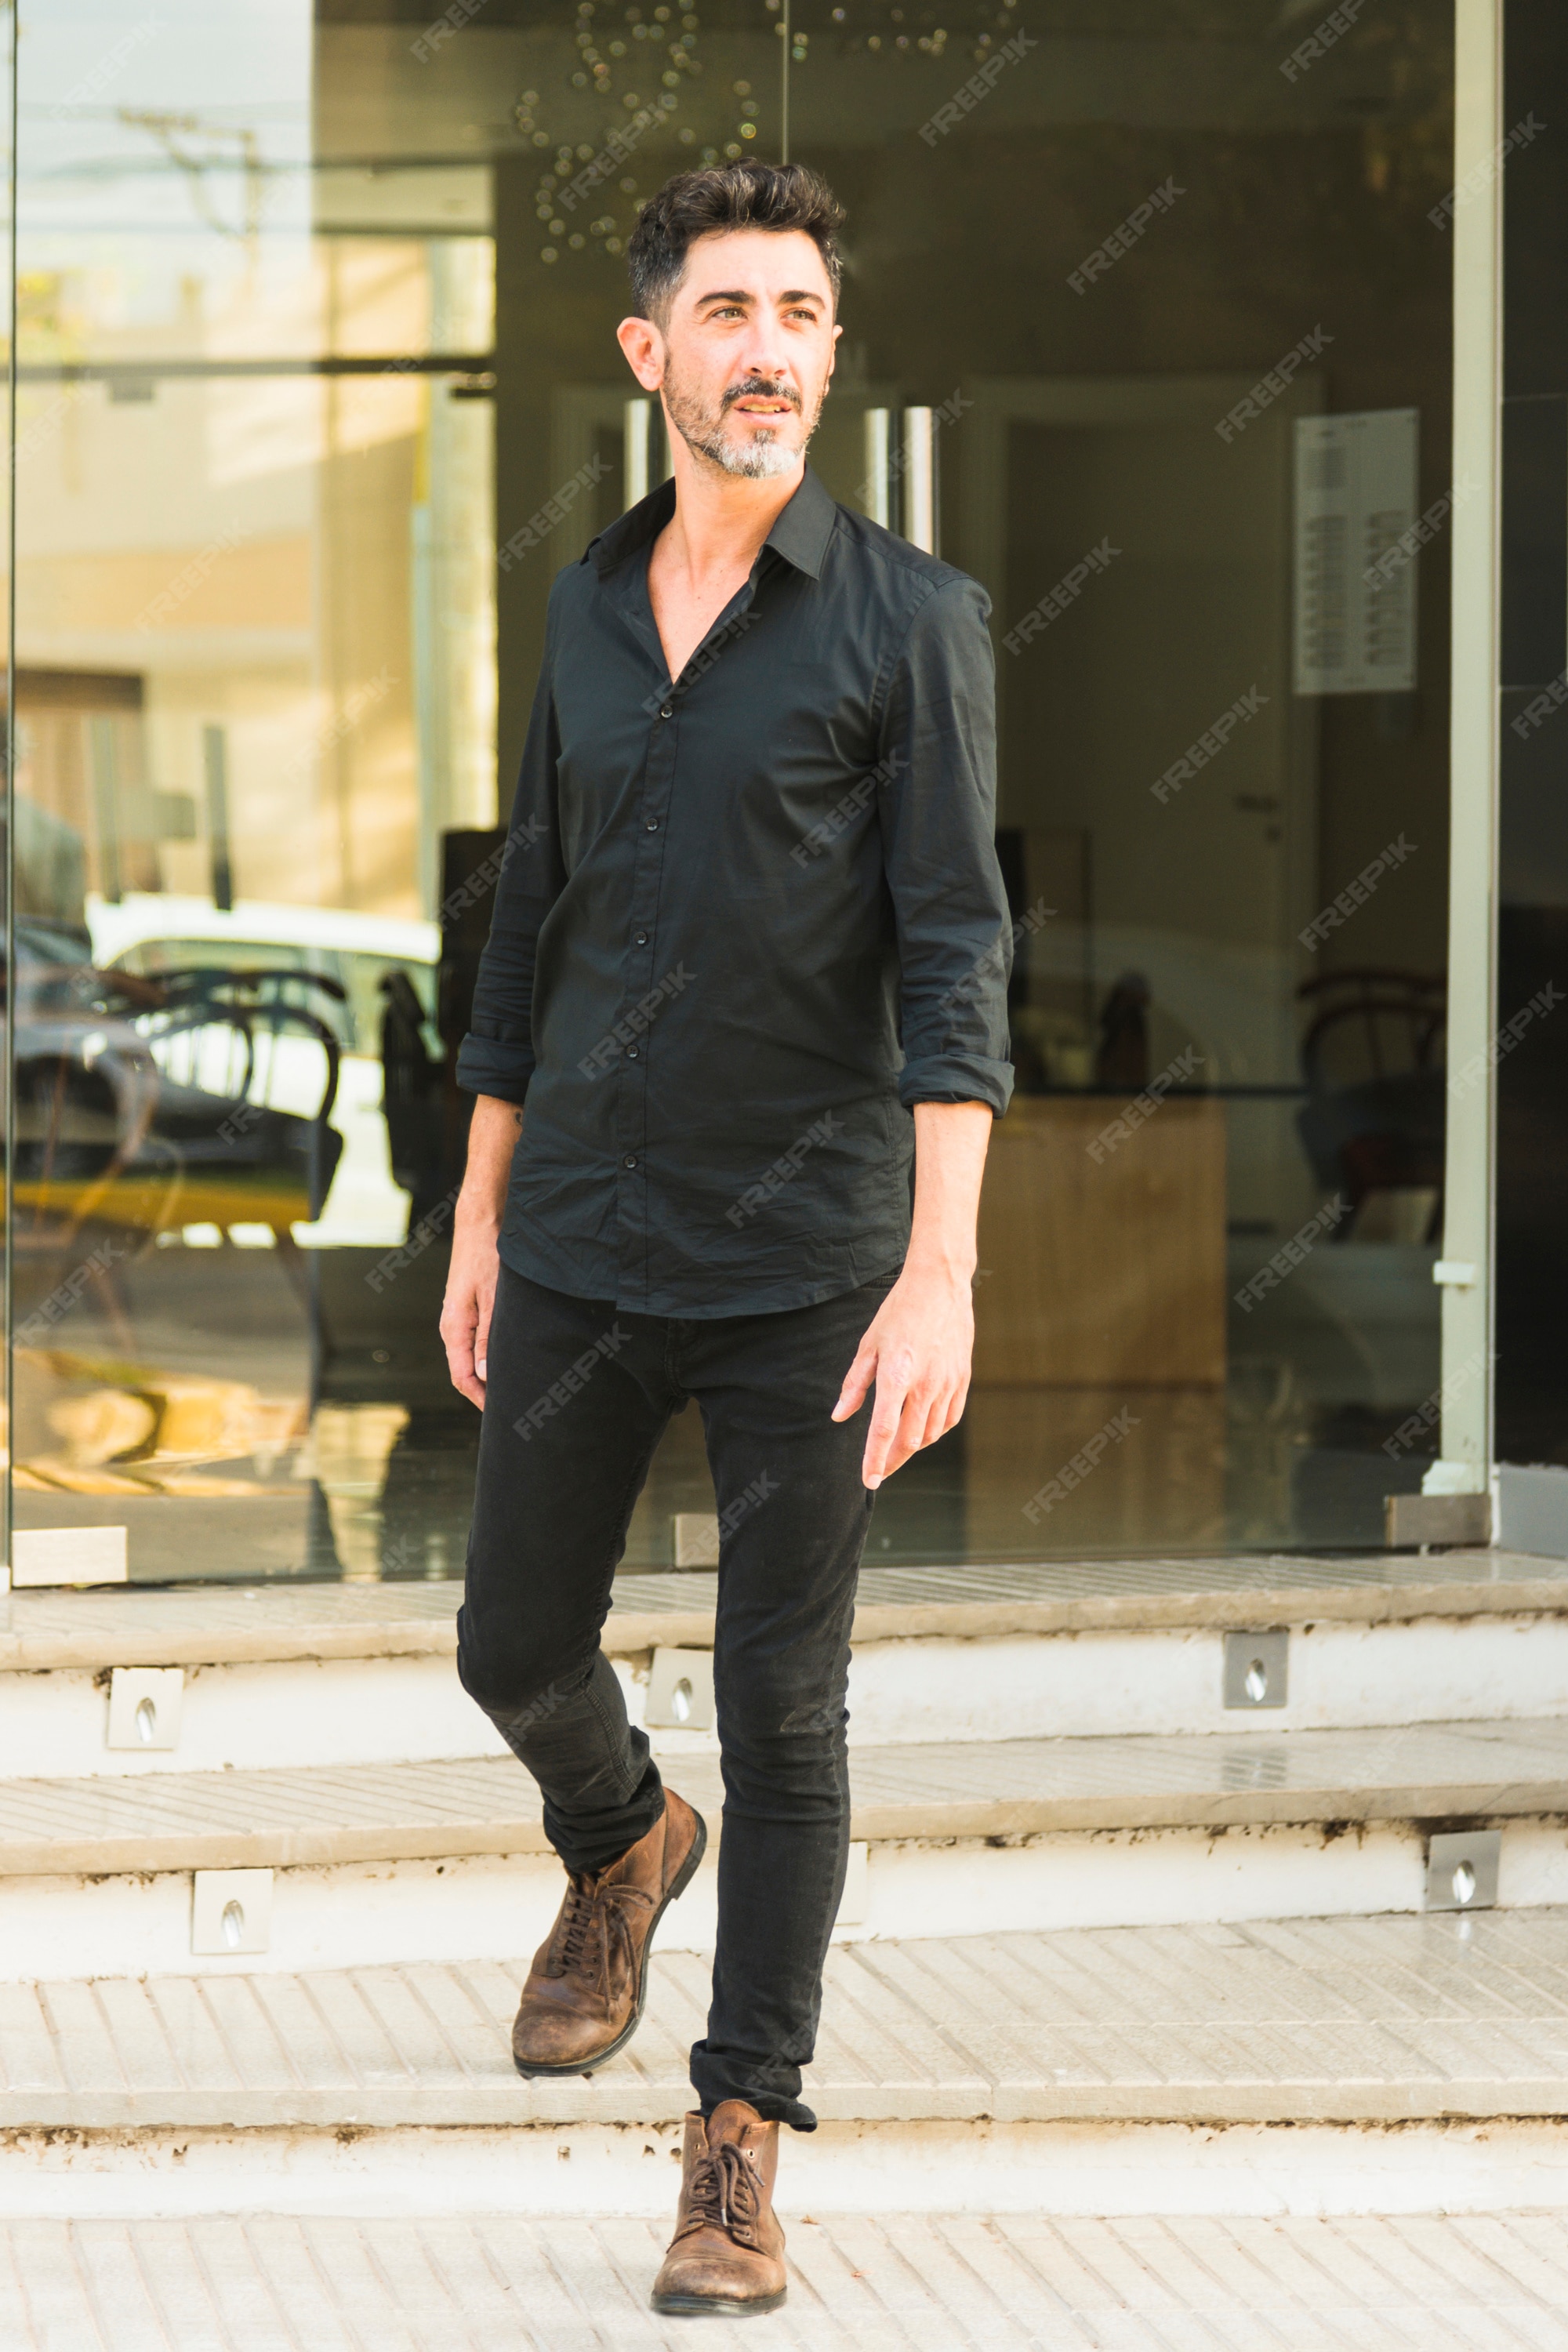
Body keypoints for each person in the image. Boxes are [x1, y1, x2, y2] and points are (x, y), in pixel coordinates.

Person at [441, 158, 1011, 2319]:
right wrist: (483, 1208)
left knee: (790, 1712)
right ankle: (617, 1836)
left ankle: (738, 2137)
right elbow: (526, 936)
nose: (769, 347)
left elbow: (957, 954)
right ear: (650, 352)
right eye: (730, 310)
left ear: (829, 350)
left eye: (801, 311)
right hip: (583, 1223)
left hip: (811, 1268)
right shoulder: (586, 610)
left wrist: (942, 1262)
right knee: (508, 1642)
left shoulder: (913, 624)